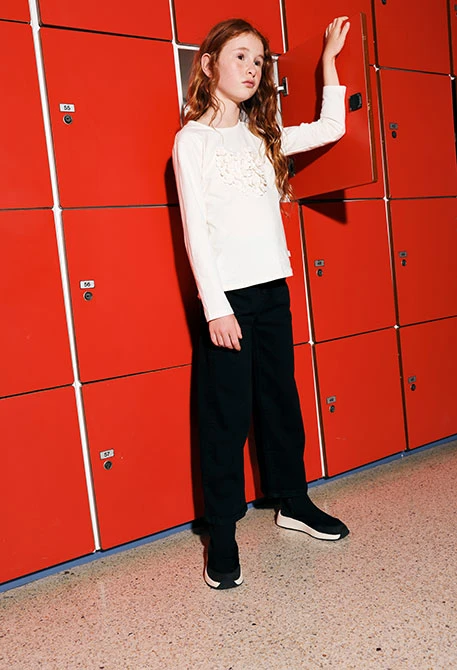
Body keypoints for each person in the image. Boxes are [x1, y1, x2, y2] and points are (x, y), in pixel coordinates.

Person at [172, 16, 351, 590]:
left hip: (274, 289)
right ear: (209, 65)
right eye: (240, 57)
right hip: (229, 300)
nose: (252, 69)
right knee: (225, 417)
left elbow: (332, 127)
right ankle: (222, 532)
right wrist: (215, 307)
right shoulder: (192, 140)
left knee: (280, 403)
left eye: (259, 61)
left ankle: (292, 501)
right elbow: (196, 233)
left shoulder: (262, 137)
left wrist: (328, 61)